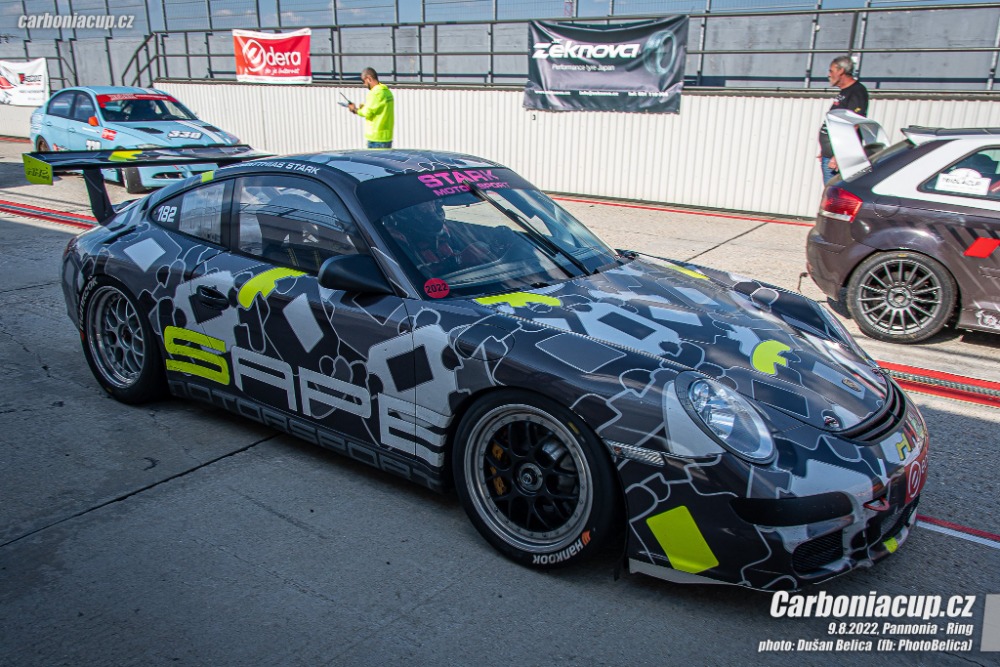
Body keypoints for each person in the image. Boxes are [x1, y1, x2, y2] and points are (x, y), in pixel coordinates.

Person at [817, 56, 869, 184]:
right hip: (830, 155)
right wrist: (825, 150)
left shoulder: (857, 91)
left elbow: (854, 124)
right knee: (830, 190)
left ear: (841, 71)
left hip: (839, 158)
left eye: (831, 71)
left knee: (833, 192)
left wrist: (839, 155)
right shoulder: (844, 92)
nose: (829, 75)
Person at [347, 68, 394, 149]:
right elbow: (378, 109)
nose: (364, 84)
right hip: (387, 136)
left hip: (376, 138)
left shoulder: (374, 93)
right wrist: (364, 107)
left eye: (363, 81)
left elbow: (367, 113)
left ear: (369, 78)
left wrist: (354, 109)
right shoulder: (387, 92)